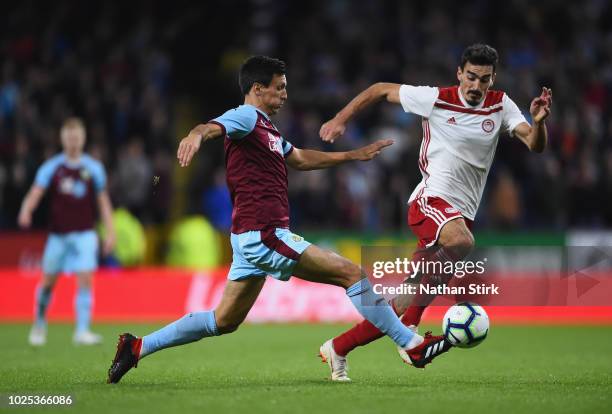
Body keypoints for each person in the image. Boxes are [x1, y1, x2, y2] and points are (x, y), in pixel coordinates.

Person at [107, 56, 445, 384]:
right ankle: (411, 344)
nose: (285, 94)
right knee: (352, 273)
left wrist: (351, 155)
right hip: (264, 234)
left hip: (249, 237)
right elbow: (211, 127)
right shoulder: (245, 116)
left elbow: (298, 157)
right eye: (279, 88)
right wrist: (195, 135)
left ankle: (137, 347)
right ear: (257, 88)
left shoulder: (266, 128)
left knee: (223, 321)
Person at [318, 44, 552, 381]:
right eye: (470, 77)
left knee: (404, 297)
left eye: (483, 79)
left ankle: (338, 347)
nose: (476, 85)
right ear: (460, 74)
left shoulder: (501, 104)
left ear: (492, 79)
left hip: (460, 213)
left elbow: (535, 144)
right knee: (462, 241)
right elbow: (380, 89)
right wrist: (340, 120)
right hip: (430, 201)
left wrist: (539, 122)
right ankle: (411, 334)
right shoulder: (436, 98)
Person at [18, 117, 116, 346]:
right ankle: (40, 323)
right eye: (69, 137)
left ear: (82, 139)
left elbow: (103, 201)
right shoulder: (52, 167)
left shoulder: (93, 168)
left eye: (77, 137)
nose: (73, 141)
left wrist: (110, 231)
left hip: (85, 233)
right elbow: (36, 192)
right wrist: (26, 209)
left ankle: (82, 330)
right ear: (63, 139)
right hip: (58, 235)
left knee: (85, 278)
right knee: (48, 281)